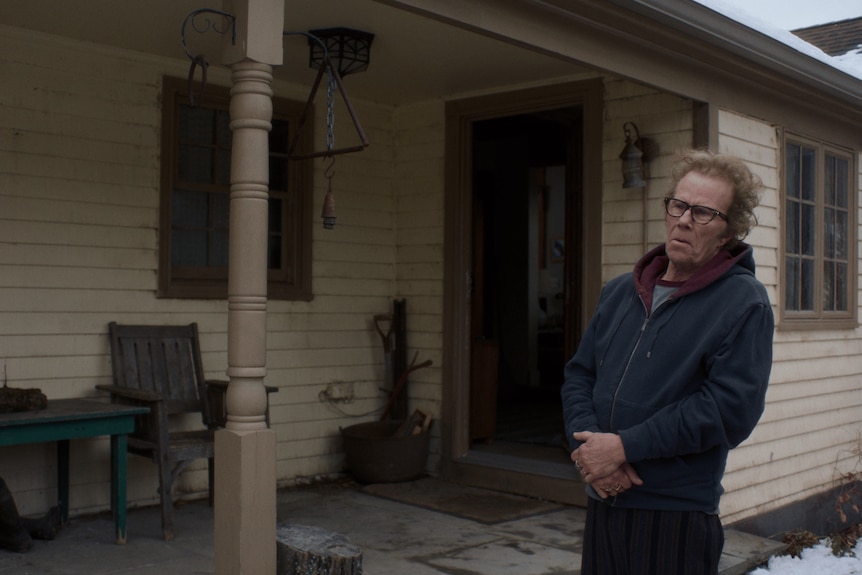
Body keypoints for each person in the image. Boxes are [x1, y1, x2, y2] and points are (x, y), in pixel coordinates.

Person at [561, 149, 774, 575]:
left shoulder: (743, 302)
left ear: (728, 231)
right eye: (678, 204)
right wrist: (590, 451)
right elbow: (580, 375)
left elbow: (729, 410)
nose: (683, 220)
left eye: (703, 212)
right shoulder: (620, 291)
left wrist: (625, 447)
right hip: (604, 499)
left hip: (674, 515)